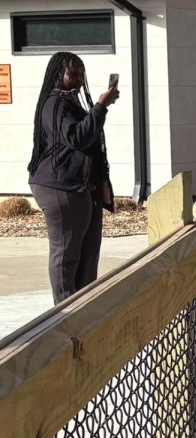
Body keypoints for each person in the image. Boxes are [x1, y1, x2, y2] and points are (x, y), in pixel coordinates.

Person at [27, 51, 119, 304]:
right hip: (60, 186)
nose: (79, 78)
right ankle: (65, 310)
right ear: (59, 74)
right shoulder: (55, 103)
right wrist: (101, 107)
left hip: (80, 186)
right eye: (73, 73)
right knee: (67, 252)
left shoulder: (70, 102)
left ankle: (83, 304)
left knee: (89, 251)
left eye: (81, 73)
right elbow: (77, 137)